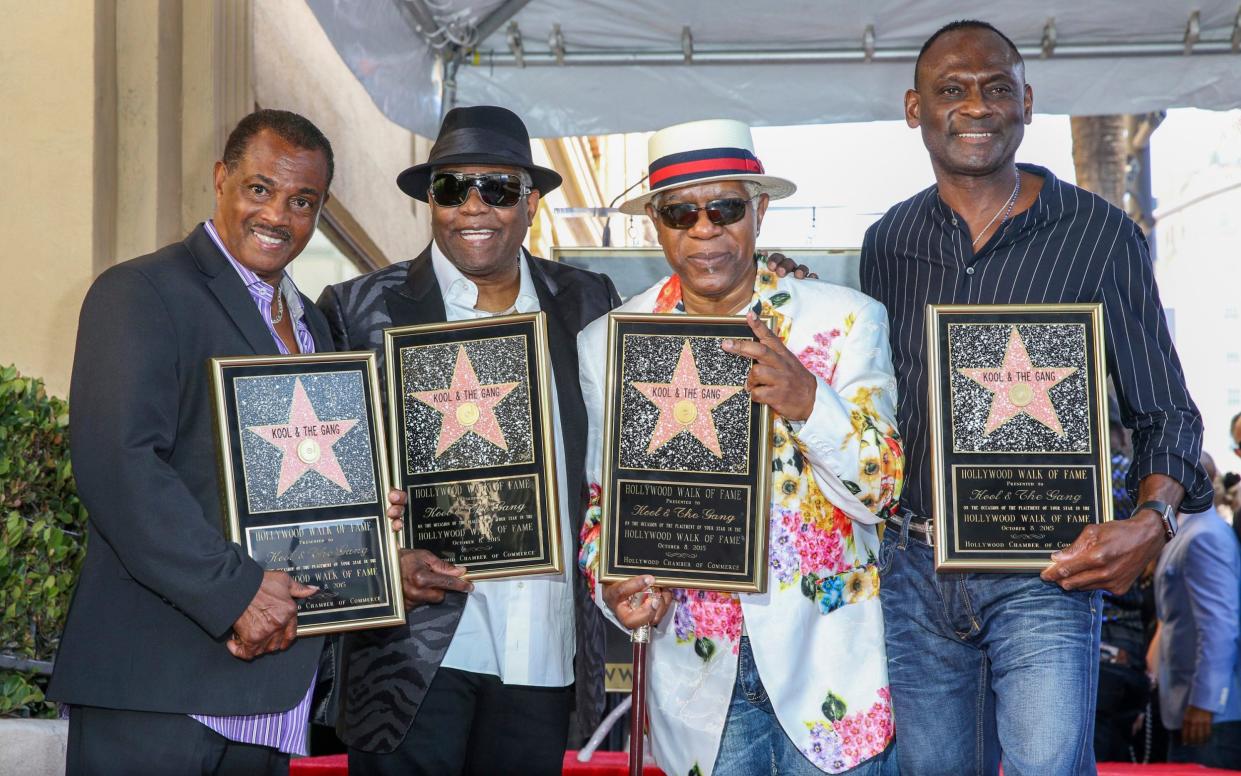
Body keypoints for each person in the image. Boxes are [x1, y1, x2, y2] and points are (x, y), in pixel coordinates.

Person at [859, 20, 1214, 776]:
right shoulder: (887, 241)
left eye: (994, 88)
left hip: (1047, 568)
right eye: (950, 90)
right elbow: (875, 414)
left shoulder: (1100, 235)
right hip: (912, 573)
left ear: (1025, 100)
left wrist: (1150, 522)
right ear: (913, 108)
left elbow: (1167, 413)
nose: (975, 106)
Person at [47, 109, 405, 776]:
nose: (277, 216)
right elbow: (120, 468)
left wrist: (361, 522)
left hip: (271, 691)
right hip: (162, 683)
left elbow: (298, 478)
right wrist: (234, 592)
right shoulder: (142, 292)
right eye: (259, 189)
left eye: (302, 201)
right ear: (221, 180)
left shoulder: (316, 327)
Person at [579, 118, 903, 776]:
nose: (703, 230)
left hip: (828, 673)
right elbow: (600, 507)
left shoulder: (843, 319)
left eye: (723, 208)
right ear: (656, 224)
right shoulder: (607, 343)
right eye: (680, 212)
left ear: (757, 210)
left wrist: (808, 401)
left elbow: (883, 490)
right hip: (694, 681)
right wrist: (609, 582)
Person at [1152, 452, 1241, 768]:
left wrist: (1205, 702)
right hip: (1187, 708)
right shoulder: (1187, 531)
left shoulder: (1205, 535)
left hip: (1210, 716)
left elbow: (1219, 625)